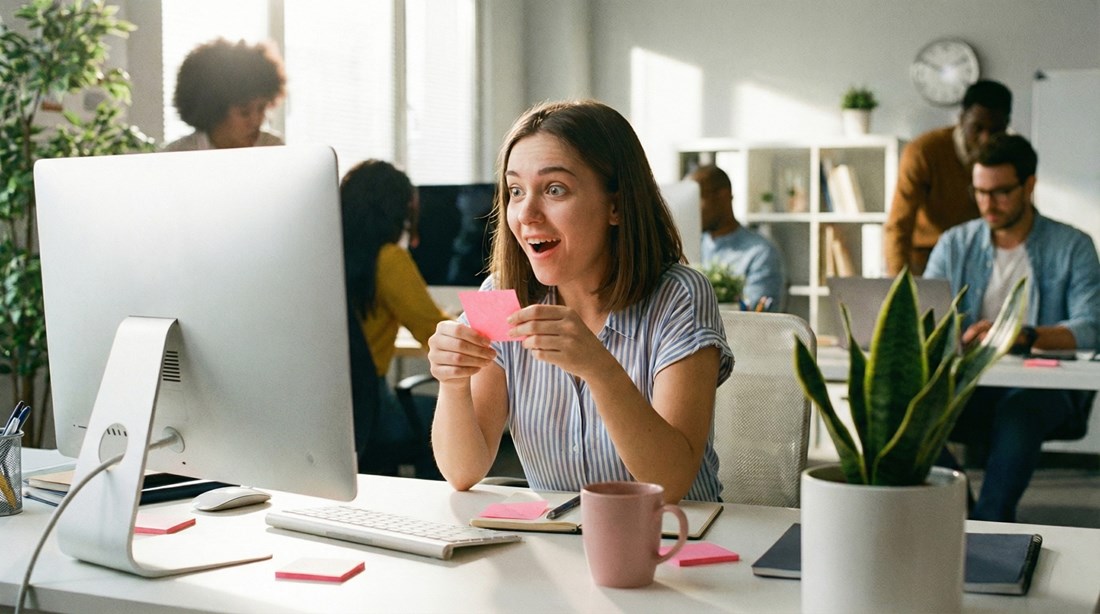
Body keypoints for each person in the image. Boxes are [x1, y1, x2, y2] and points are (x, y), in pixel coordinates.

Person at [427, 100, 734, 503]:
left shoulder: (680, 296)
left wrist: (599, 368)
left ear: (616, 206)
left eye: (555, 189)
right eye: (516, 191)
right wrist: (453, 383)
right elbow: (463, 472)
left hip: (675, 532)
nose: (527, 213)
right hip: (559, 532)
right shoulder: (500, 296)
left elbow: (670, 484)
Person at [924, 134, 1100, 522]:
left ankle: (990, 523)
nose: (988, 203)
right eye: (980, 192)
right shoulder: (954, 244)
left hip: (1043, 390)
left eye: (1001, 192)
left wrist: (1022, 335)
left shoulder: (1073, 246)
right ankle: (964, 516)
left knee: (1021, 409)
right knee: (910, 405)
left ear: (1029, 185)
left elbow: (1091, 328)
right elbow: (926, 315)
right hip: (968, 384)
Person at [341, 160, 449, 476]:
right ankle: (439, 498)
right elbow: (433, 332)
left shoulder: (325, 253)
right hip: (368, 405)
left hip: (331, 408)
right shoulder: (388, 259)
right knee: (443, 418)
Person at [884, 80, 1013, 275]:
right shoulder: (923, 152)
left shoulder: (1010, 155)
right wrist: (898, 283)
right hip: (927, 256)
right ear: (961, 119)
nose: (986, 139)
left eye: (995, 131)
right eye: (977, 128)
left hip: (983, 259)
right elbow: (899, 225)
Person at [163, 38, 287, 151]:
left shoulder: (274, 148)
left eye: (261, 108)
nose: (256, 121)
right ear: (214, 111)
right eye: (244, 112)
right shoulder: (176, 155)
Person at [691, 164, 786, 311]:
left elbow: (754, 317)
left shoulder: (760, 253)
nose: (692, 209)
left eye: (696, 200)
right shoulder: (687, 248)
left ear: (722, 196)